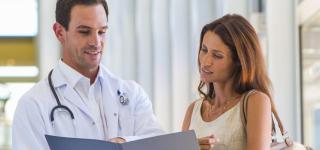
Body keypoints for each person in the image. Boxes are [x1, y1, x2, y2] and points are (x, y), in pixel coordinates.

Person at [12, 0, 163, 149]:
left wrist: (122, 142)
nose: (96, 42)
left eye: (102, 32)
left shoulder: (132, 94)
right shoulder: (33, 105)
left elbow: (159, 143)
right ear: (59, 32)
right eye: (84, 32)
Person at [182, 14, 275, 150]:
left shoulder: (255, 102)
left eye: (217, 56)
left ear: (239, 61)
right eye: (204, 50)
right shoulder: (193, 110)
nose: (205, 62)